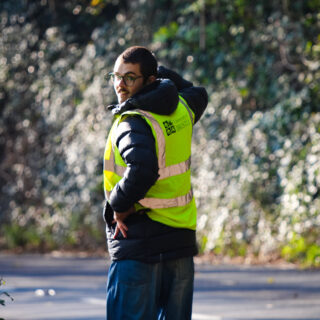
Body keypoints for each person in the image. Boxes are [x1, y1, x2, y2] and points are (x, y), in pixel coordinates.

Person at [103, 46, 208, 320]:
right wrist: (156, 75)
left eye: (129, 78)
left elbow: (142, 169)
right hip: (180, 244)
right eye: (116, 76)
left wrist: (118, 205)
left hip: (138, 243)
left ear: (149, 81)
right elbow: (197, 92)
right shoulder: (183, 109)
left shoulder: (133, 121)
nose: (120, 85)